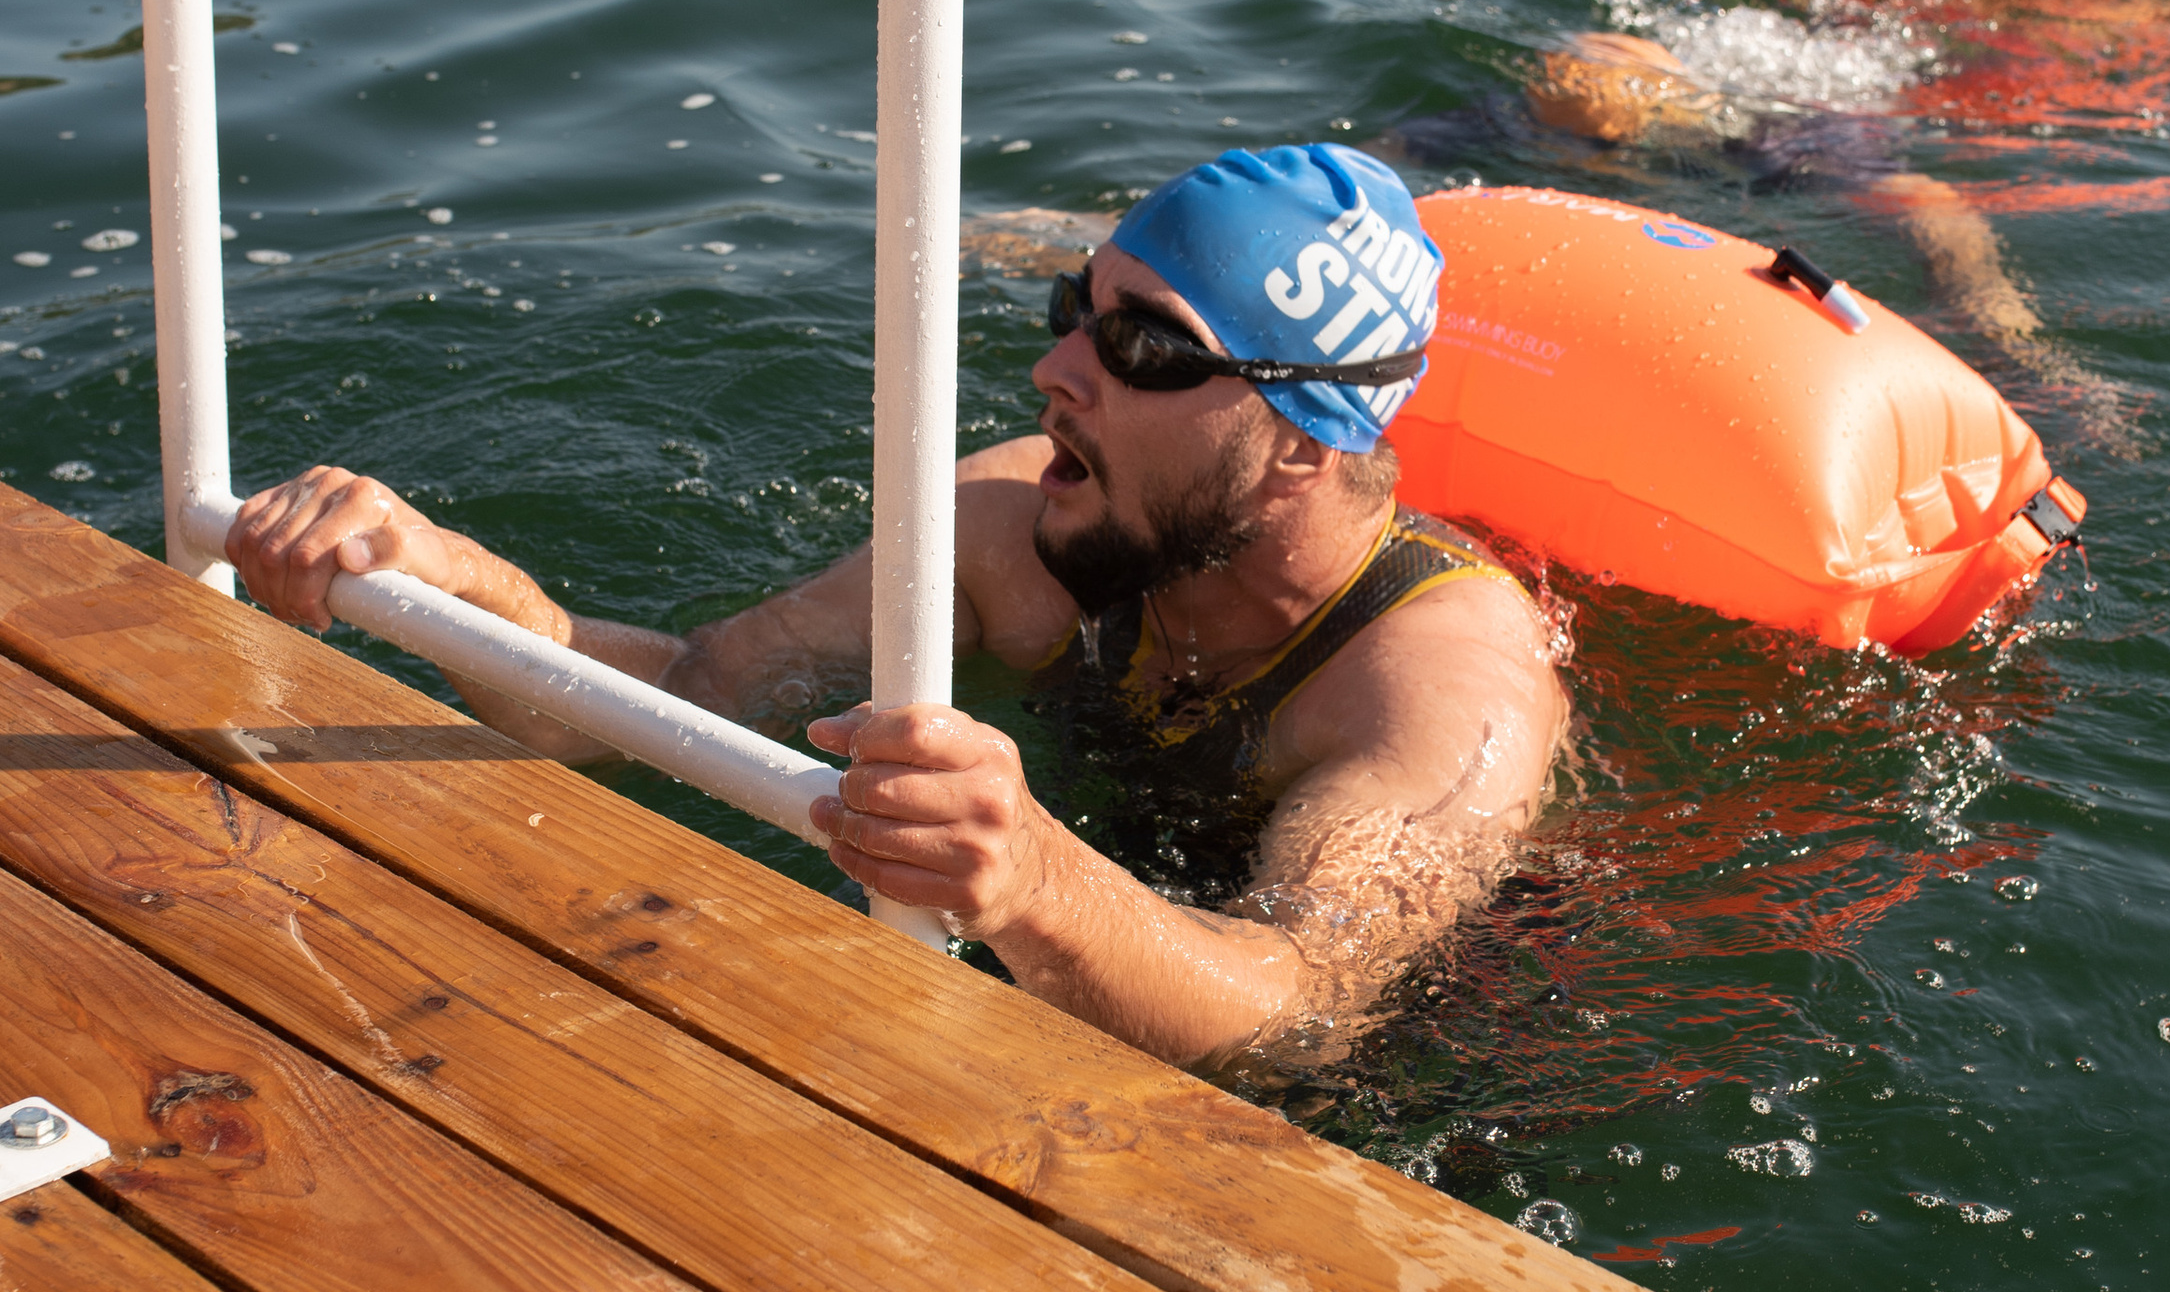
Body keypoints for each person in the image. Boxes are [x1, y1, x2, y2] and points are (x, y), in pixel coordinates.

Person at [226, 144, 1568, 1079]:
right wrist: (460, 578)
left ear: (1296, 442)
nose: (1054, 372)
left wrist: (1037, 876)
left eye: (1142, 347)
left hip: (1445, 1053)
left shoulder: (1447, 693)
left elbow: (1305, 1008)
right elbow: (695, 696)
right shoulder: (1014, 531)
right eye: (1072, 310)